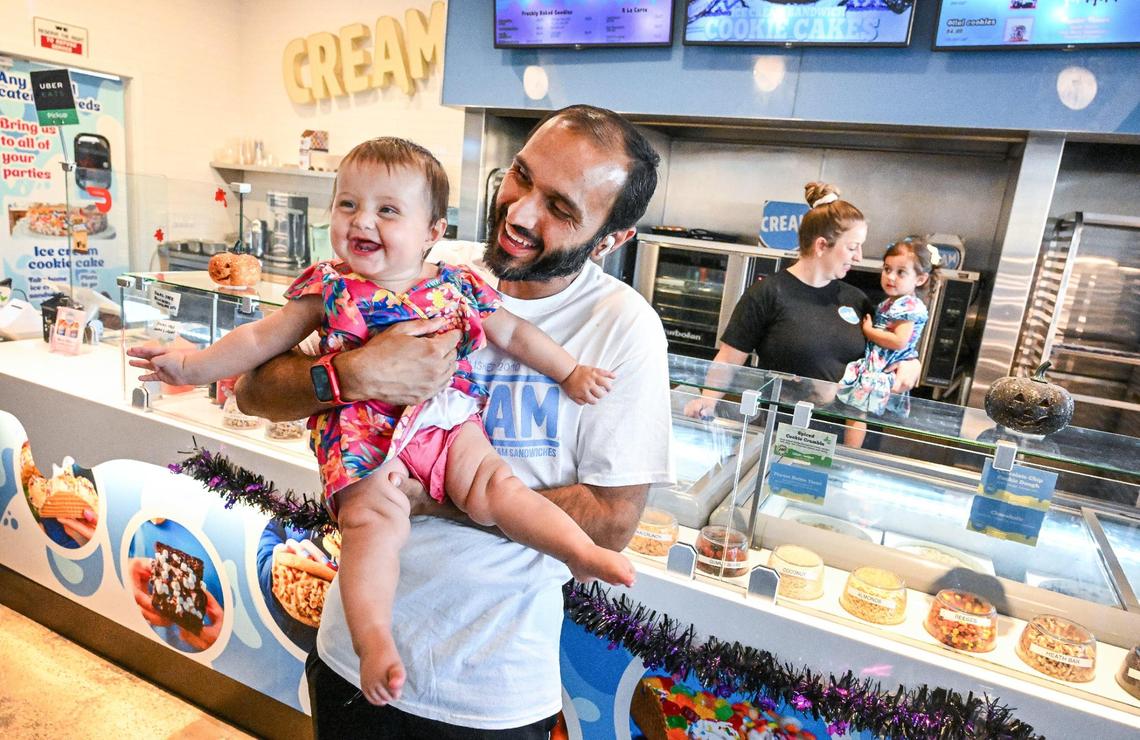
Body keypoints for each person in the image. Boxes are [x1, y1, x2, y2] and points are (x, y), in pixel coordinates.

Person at [128, 136, 637, 707]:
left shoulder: (460, 285)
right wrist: (192, 365)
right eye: (348, 204)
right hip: (365, 443)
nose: (362, 221)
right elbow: (256, 345)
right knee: (372, 528)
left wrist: (569, 373)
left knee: (498, 488)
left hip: (447, 428)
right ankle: (374, 642)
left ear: (432, 232)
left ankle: (577, 553)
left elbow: (516, 335)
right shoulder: (328, 286)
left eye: (387, 210)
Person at [234, 105, 672, 738]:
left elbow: (611, 522)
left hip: (491, 692)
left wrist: (428, 501)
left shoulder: (622, 329)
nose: (519, 213)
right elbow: (252, 391)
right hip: (350, 654)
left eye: (560, 207)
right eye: (519, 177)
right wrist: (353, 375)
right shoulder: (421, 260)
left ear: (609, 240)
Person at [683, 181, 921, 421]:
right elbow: (728, 360)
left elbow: (891, 349)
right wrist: (707, 402)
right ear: (821, 246)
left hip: (843, 438)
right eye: (852, 247)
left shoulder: (857, 300)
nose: (858, 257)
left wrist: (913, 364)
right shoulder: (768, 293)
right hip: (781, 435)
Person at [836, 236, 938, 430]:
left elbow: (899, 341)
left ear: (921, 279)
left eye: (901, 272)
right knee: (857, 410)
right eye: (887, 269)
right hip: (879, 364)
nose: (890, 277)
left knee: (857, 411)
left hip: (883, 368)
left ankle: (850, 452)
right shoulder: (891, 302)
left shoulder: (907, 305)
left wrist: (869, 331)